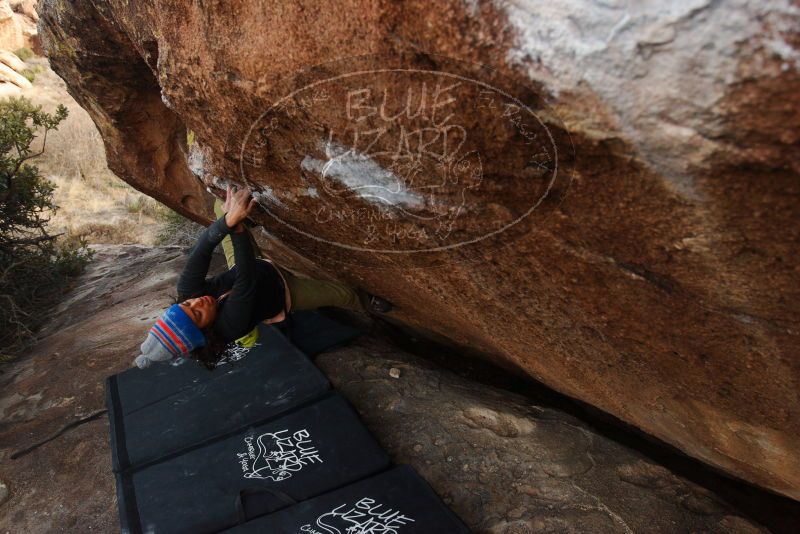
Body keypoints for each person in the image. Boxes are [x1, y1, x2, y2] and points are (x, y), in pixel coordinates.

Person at [134, 184, 392, 370]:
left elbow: (201, 250)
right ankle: (369, 305)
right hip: (281, 292)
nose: (198, 302)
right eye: (198, 314)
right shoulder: (229, 327)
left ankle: (240, 204)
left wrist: (227, 221)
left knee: (219, 206)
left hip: (248, 268)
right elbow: (247, 281)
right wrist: (236, 225)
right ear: (205, 331)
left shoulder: (187, 293)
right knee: (342, 294)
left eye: (187, 305)